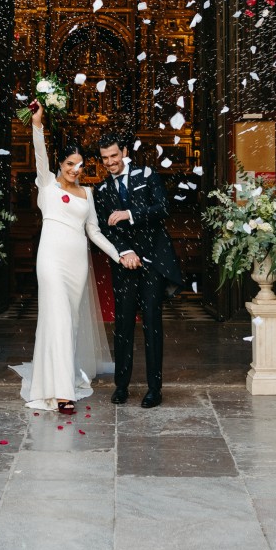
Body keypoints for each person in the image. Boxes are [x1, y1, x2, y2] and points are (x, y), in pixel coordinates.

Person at [11, 103, 130, 414]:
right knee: (59, 320)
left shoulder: (88, 195)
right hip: (51, 261)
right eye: (70, 164)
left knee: (70, 323)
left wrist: (120, 255)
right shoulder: (47, 185)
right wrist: (37, 124)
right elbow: (40, 155)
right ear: (60, 164)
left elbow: (95, 232)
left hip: (78, 264)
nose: (75, 170)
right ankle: (62, 393)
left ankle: (58, 378)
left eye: (80, 165)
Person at [95, 131, 183, 409]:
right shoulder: (101, 190)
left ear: (124, 151)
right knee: (122, 325)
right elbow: (103, 227)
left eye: (114, 156)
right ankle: (121, 386)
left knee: (152, 325)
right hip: (124, 264)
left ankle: (154, 389)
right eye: (105, 158)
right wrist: (124, 252)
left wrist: (130, 214)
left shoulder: (147, 175)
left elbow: (163, 208)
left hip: (153, 262)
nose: (110, 162)